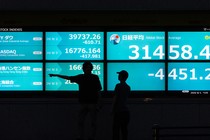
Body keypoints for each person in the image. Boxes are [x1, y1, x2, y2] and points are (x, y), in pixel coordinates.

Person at [49, 61, 102, 140]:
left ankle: (82, 136)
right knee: (90, 122)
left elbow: (68, 77)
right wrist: (99, 104)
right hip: (90, 103)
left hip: (86, 103)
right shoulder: (94, 77)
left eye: (89, 68)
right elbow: (99, 91)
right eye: (87, 67)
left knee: (83, 122)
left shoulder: (83, 77)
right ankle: (90, 137)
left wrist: (56, 75)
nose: (88, 69)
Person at [111, 70, 131, 140]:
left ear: (122, 77)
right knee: (124, 129)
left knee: (116, 130)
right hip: (126, 111)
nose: (118, 76)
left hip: (118, 111)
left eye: (119, 75)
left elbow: (115, 98)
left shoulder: (118, 86)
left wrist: (112, 109)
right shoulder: (128, 87)